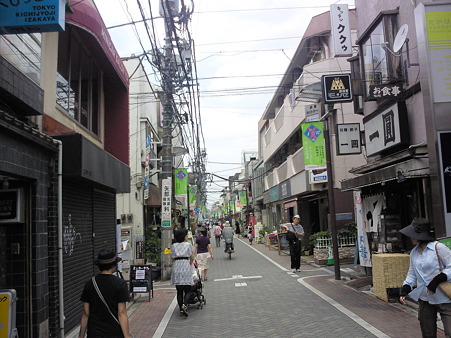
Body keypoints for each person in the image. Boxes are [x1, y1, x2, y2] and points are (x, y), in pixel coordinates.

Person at [398, 218, 451, 337]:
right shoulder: (414, 252)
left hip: (444, 297)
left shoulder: (438, 247)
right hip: (425, 298)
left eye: (413, 234)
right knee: (428, 333)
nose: (410, 237)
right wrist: (405, 288)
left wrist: (438, 279)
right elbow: (412, 273)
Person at [79, 249, 131, 338]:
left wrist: (81, 336)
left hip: (94, 334)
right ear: (113, 265)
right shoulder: (120, 284)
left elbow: (86, 313)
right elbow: (121, 313)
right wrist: (127, 336)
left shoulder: (90, 284)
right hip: (114, 333)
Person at [171, 228, 195, 318]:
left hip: (177, 265)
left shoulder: (174, 245)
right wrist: (190, 263)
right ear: (184, 236)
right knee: (188, 289)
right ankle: (185, 304)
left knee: (179, 290)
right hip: (185, 264)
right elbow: (192, 256)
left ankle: (181, 308)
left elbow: (172, 257)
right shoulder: (188, 245)